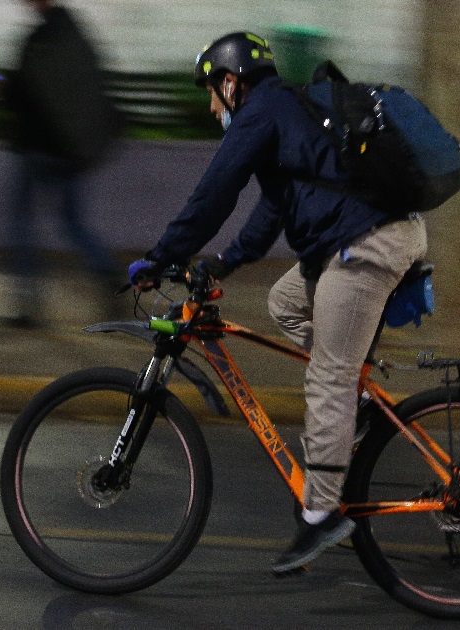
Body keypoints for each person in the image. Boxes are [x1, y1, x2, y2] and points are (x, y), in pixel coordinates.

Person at [128, 32, 428, 574]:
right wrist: (225, 261)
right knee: (284, 302)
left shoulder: (260, 112)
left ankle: (321, 514)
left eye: (212, 93)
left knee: (328, 379)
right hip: (353, 240)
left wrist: (160, 256)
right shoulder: (285, 110)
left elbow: (216, 190)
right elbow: (274, 205)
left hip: (365, 244)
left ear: (230, 81)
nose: (210, 105)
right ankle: (358, 405)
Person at [2, 0, 124, 328]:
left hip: (37, 148)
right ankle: (110, 278)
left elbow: (20, 92)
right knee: (73, 223)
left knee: (21, 223)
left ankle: (29, 308)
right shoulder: (78, 38)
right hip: (70, 152)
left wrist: (2, 88)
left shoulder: (38, 40)